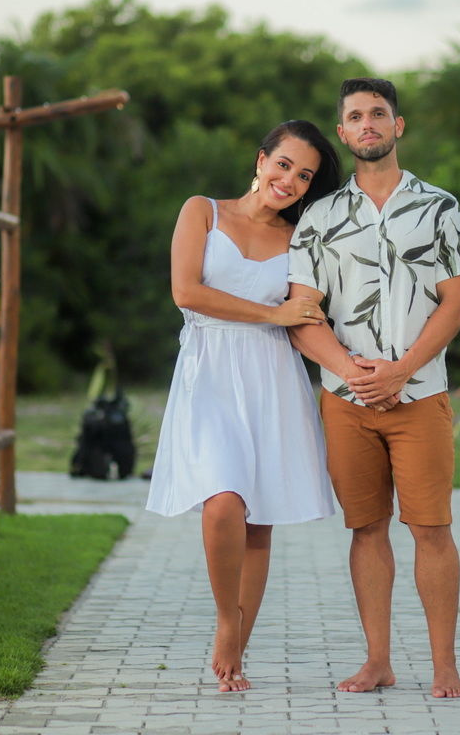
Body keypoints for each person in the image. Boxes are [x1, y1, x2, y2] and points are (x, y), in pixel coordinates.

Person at [288, 78, 460, 699]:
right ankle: (378, 662)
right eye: (355, 116)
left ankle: (445, 667)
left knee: (432, 529)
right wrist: (358, 375)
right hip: (347, 402)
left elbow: (456, 304)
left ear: (398, 126)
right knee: (366, 529)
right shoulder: (318, 217)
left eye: (378, 113)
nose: (367, 123)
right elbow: (303, 315)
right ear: (342, 132)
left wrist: (400, 371)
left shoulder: (439, 208)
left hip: (420, 396)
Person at [146, 120, 342, 693]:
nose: (290, 180)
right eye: (283, 165)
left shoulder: (303, 239)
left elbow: (307, 316)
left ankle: (237, 647)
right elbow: (186, 292)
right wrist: (271, 314)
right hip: (208, 371)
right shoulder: (202, 212)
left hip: (271, 377)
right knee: (223, 502)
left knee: (259, 521)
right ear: (260, 161)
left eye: (304, 176)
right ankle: (226, 618)